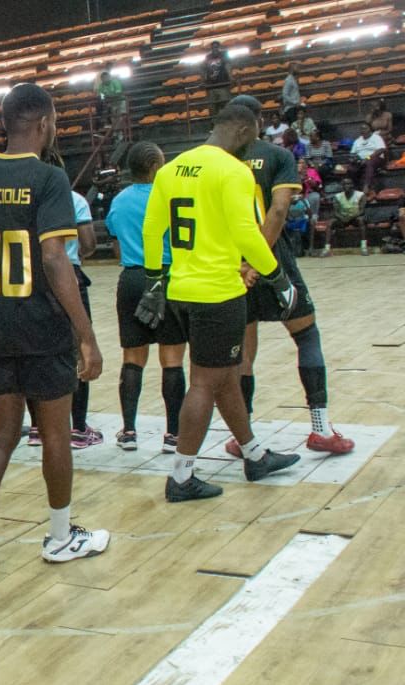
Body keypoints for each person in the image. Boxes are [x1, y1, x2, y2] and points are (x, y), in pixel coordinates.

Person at [0, 83, 110, 593]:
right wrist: (87, 336)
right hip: (41, 325)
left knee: (3, 433)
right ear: (43, 122)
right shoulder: (48, 177)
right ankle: (60, 537)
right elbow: (54, 257)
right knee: (55, 434)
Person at [139, 104, 302, 502]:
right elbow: (248, 233)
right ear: (243, 129)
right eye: (255, 134)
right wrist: (277, 277)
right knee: (206, 383)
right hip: (218, 293)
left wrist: (153, 279)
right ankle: (181, 476)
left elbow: (151, 227)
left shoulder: (173, 167)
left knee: (226, 375)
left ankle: (255, 455)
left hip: (180, 290)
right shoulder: (234, 171)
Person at [229, 95, 354, 457]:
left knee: (243, 353)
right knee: (307, 335)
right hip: (272, 259)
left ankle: (244, 437)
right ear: (261, 120)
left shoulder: (222, 159)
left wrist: (243, 262)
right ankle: (319, 430)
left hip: (232, 263)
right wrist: (259, 259)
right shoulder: (277, 155)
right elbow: (280, 209)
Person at [105, 142, 186, 452]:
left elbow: (115, 244)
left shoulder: (119, 201)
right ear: (155, 167)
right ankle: (173, 434)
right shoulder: (167, 196)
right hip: (165, 276)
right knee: (172, 359)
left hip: (131, 277)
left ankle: (128, 431)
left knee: (133, 357)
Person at [62, 171, 104, 449]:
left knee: (41, 351)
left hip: (33, 280)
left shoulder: (30, 198)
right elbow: (88, 244)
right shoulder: (75, 200)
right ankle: (78, 427)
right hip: (69, 275)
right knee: (79, 350)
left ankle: (39, 427)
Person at [320, 177, 369, 257]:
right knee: (330, 223)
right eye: (344, 184)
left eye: (349, 184)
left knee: (361, 220)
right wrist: (342, 218)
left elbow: (362, 211)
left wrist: (351, 217)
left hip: (355, 218)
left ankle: (364, 247)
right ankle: (327, 249)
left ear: (352, 185)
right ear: (341, 186)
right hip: (342, 218)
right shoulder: (337, 197)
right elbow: (336, 212)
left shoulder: (360, 195)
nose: (347, 186)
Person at [350, 120, 387, 193]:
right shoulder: (357, 140)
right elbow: (352, 153)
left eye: (365, 128)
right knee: (351, 168)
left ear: (370, 129)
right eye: (361, 129)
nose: (362, 130)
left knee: (369, 163)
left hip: (375, 159)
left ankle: (366, 186)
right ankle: (356, 188)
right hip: (361, 160)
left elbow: (381, 149)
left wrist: (367, 158)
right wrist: (355, 159)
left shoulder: (376, 137)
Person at [94, 63, 127, 133]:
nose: (105, 79)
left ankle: (118, 133)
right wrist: (107, 98)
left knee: (121, 117)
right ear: (101, 79)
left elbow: (118, 94)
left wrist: (108, 97)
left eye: (106, 78)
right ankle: (116, 134)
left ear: (109, 77)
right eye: (103, 79)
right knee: (113, 118)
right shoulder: (101, 86)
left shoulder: (115, 82)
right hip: (112, 104)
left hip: (120, 102)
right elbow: (102, 97)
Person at [203, 42, 233, 115]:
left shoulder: (224, 54)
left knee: (225, 105)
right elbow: (204, 69)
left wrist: (230, 77)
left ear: (219, 48)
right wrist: (204, 80)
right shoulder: (208, 57)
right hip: (211, 86)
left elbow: (228, 66)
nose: (215, 49)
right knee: (212, 108)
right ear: (211, 48)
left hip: (222, 84)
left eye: (216, 47)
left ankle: (226, 122)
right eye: (213, 47)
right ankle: (214, 123)